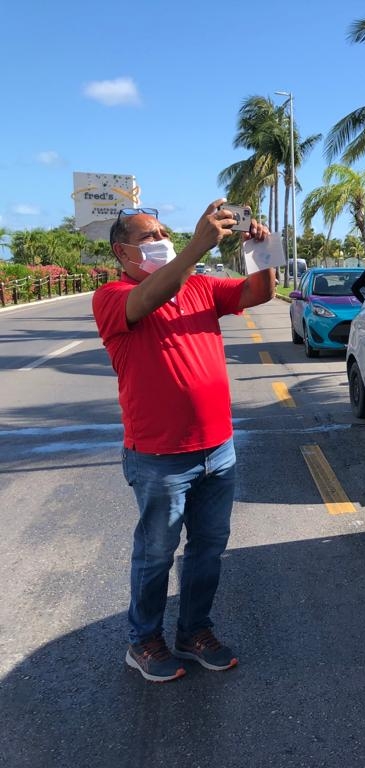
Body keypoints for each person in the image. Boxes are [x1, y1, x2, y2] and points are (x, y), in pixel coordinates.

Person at [92, 199, 275, 683]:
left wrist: (261, 252)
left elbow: (258, 294)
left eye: (163, 232)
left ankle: (193, 632)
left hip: (219, 448)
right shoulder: (112, 296)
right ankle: (143, 641)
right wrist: (197, 244)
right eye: (149, 236)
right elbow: (149, 298)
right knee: (156, 553)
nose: (160, 240)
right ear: (122, 252)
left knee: (208, 550)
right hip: (158, 457)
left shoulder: (199, 287)